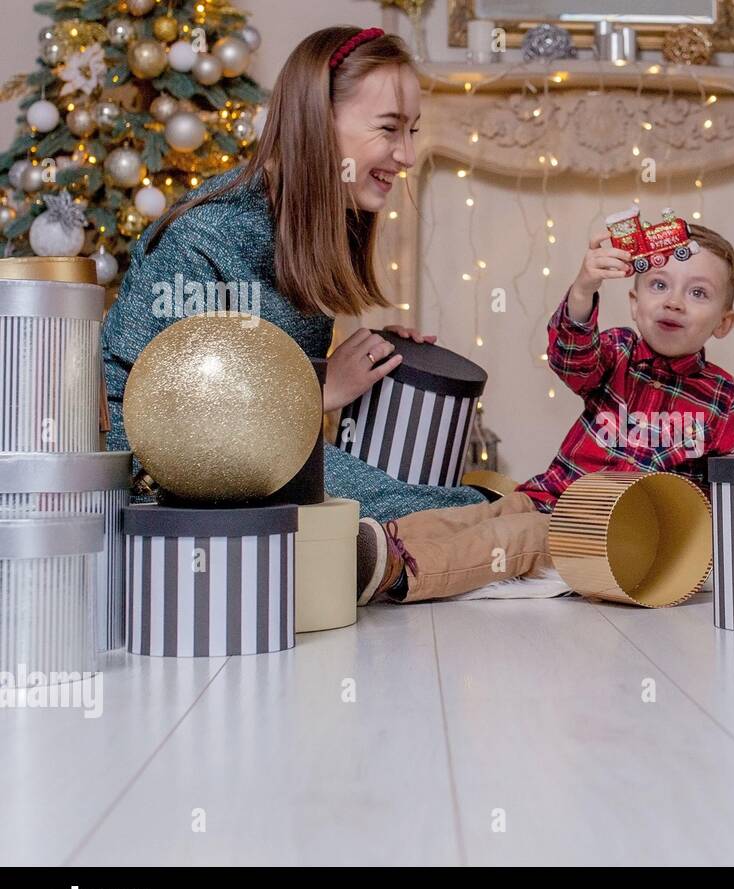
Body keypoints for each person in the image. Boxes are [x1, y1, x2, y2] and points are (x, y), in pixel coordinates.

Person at [101, 26, 483, 522]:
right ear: (317, 122)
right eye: (388, 129)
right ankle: (490, 524)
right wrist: (320, 391)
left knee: (408, 498)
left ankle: (483, 528)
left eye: (411, 131)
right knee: (401, 509)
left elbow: (258, 376)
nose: (407, 156)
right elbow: (176, 425)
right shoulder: (205, 236)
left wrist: (372, 362)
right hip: (157, 479)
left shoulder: (310, 226)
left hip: (258, 455)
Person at [358, 223, 734, 604]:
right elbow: (571, 357)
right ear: (635, 304)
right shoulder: (618, 353)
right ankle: (366, 545)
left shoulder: (724, 397)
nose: (674, 301)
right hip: (550, 496)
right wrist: (584, 288)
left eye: (698, 293)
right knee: (487, 514)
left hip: (607, 534)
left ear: (724, 322)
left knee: (518, 538)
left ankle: (399, 570)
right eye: (659, 284)